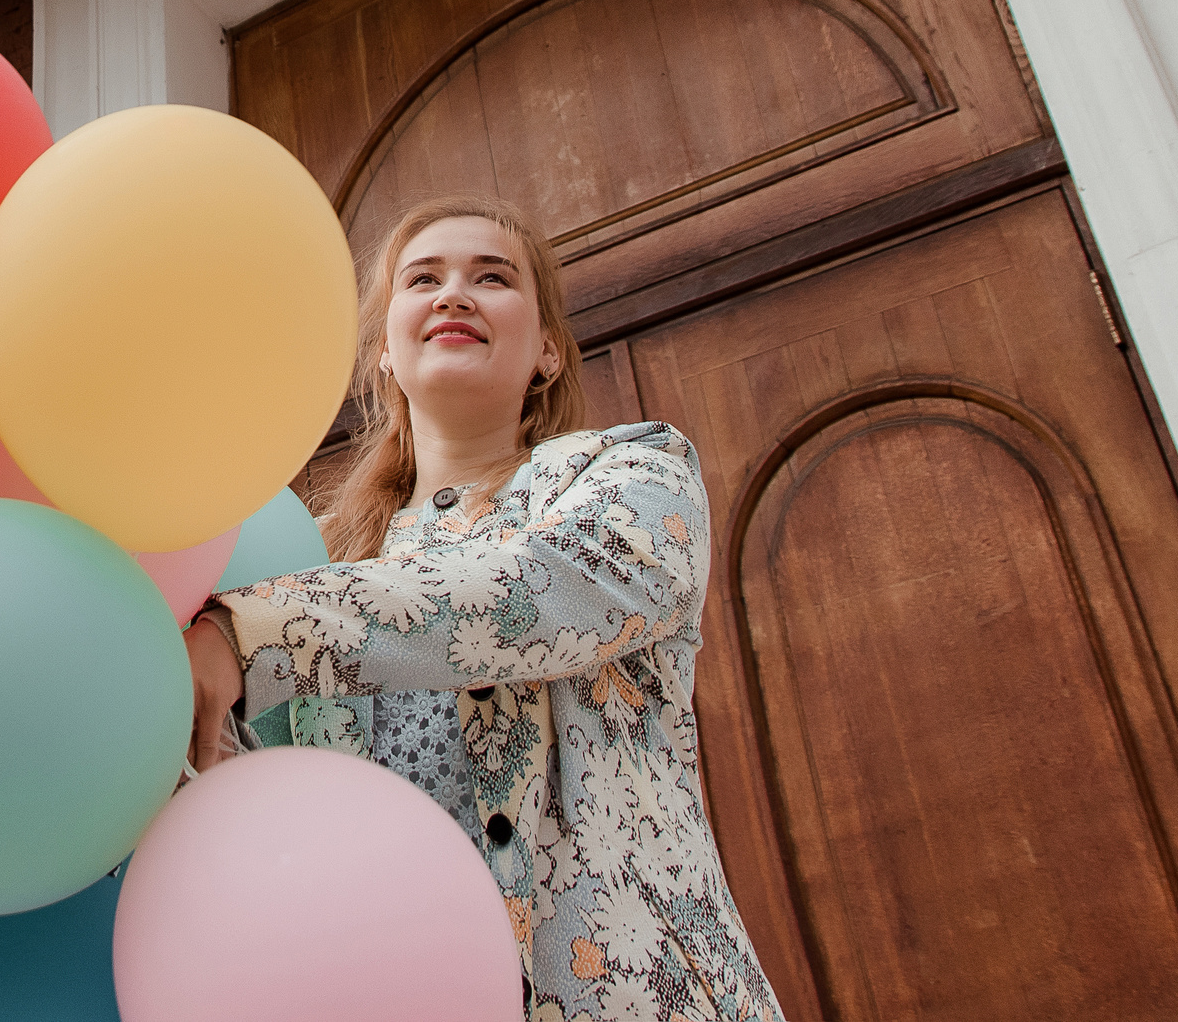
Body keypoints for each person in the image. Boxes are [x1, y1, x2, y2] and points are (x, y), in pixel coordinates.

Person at [186, 193, 784, 1022]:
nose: (453, 294)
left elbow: (535, 593)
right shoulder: (306, 559)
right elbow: (260, 794)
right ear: (385, 355)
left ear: (547, 351)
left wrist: (248, 633)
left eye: (491, 277)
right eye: (422, 278)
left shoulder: (634, 472)